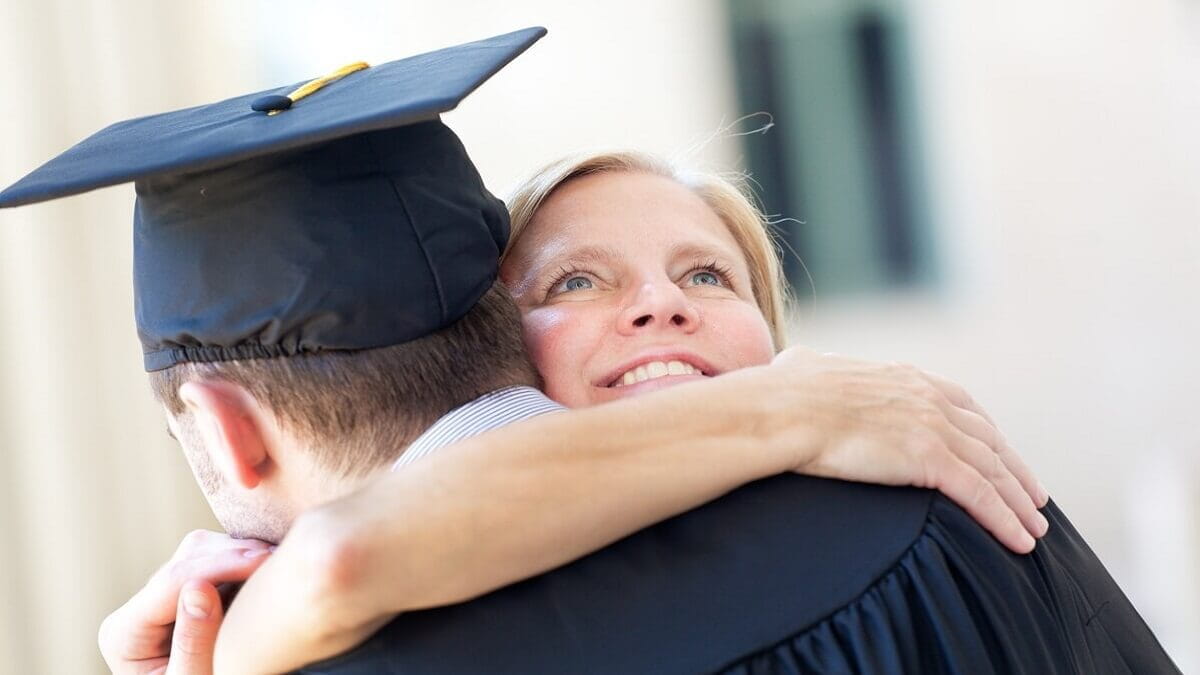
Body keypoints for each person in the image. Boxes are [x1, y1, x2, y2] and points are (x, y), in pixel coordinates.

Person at [0, 28, 1161, 675]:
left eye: (709, 274)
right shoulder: (923, 515)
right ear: (505, 338)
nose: (657, 311)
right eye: (577, 282)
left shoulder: (939, 474)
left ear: (224, 428)